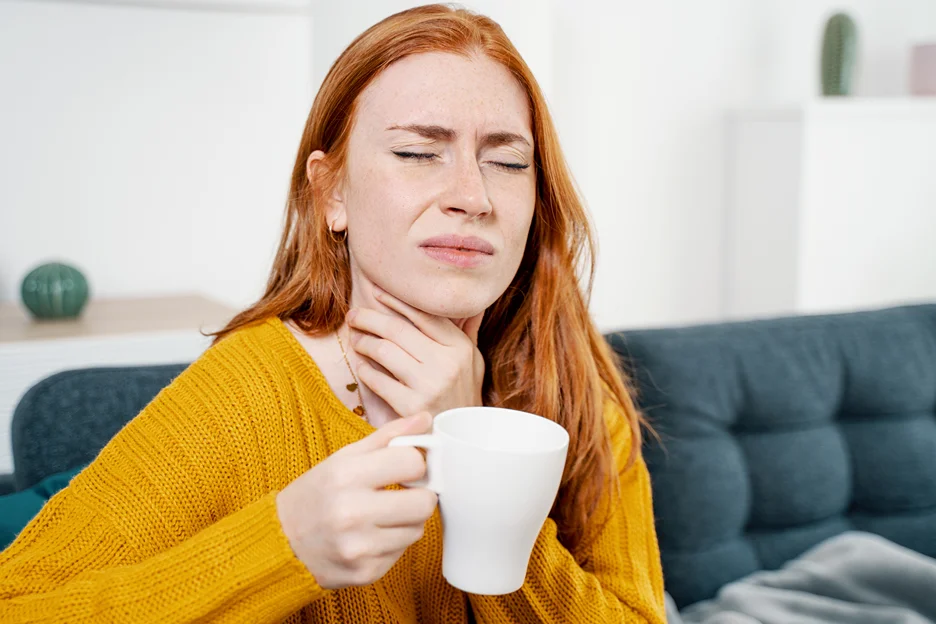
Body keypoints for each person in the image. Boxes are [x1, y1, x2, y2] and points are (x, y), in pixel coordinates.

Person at [0, 5, 665, 622]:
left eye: (508, 161)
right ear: (331, 193)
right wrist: (283, 547)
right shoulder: (248, 392)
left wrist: (476, 469)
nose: (473, 195)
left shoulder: (575, 392)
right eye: (416, 152)